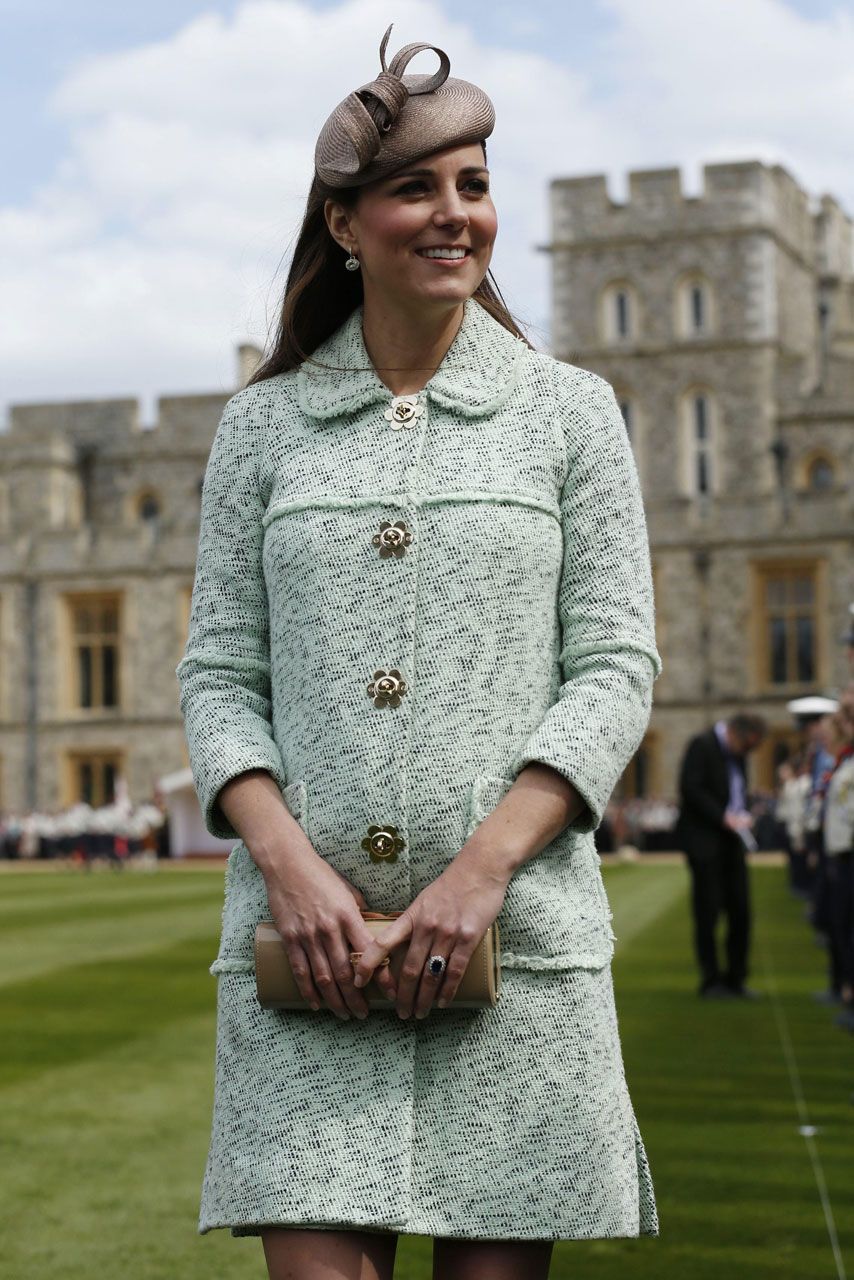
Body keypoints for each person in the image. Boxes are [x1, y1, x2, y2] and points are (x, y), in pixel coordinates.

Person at [177, 25, 663, 1280]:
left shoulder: (570, 414)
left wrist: (480, 872)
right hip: (312, 958)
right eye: (415, 187)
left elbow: (613, 663)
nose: (455, 214)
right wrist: (285, 863)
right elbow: (220, 670)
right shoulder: (264, 427)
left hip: (517, 949)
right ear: (343, 222)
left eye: (474, 184)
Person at [675, 713, 767, 999]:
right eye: (748, 746)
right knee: (708, 912)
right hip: (705, 843)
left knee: (740, 910)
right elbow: (690, 789)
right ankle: (711, 980)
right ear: (736, 733)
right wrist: (723, 817)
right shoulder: (701, 745)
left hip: (731, 843)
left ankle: (736, 978)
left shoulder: (736, 754)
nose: (748, 753)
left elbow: (736, 790)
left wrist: (743, 814)